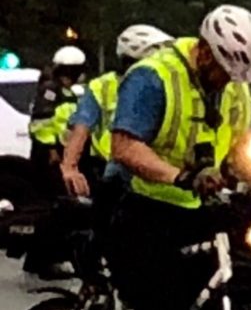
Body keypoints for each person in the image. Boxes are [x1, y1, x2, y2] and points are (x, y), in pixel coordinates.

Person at [82, 6, 251, 310]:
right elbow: (124, 147)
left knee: (227, 296)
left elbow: (240, 149)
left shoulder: (236, 89)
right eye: (221, 69)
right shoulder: (155, 76)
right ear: (204, 51)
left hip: (194, 208)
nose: (227, 81)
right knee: (162, 309)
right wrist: (180, 176)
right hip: (140, 206)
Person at [58, 25, 171, 198]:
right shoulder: (102, 86)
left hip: (155, 167)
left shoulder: (164, 85)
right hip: (112, 170)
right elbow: (81, 127)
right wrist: (69, 168)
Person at [27, 44, 88, 185]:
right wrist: (51, 149)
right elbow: (42, 122)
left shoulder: (67, 92)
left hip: (63, 151)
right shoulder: (51, 89)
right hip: (48, 152)